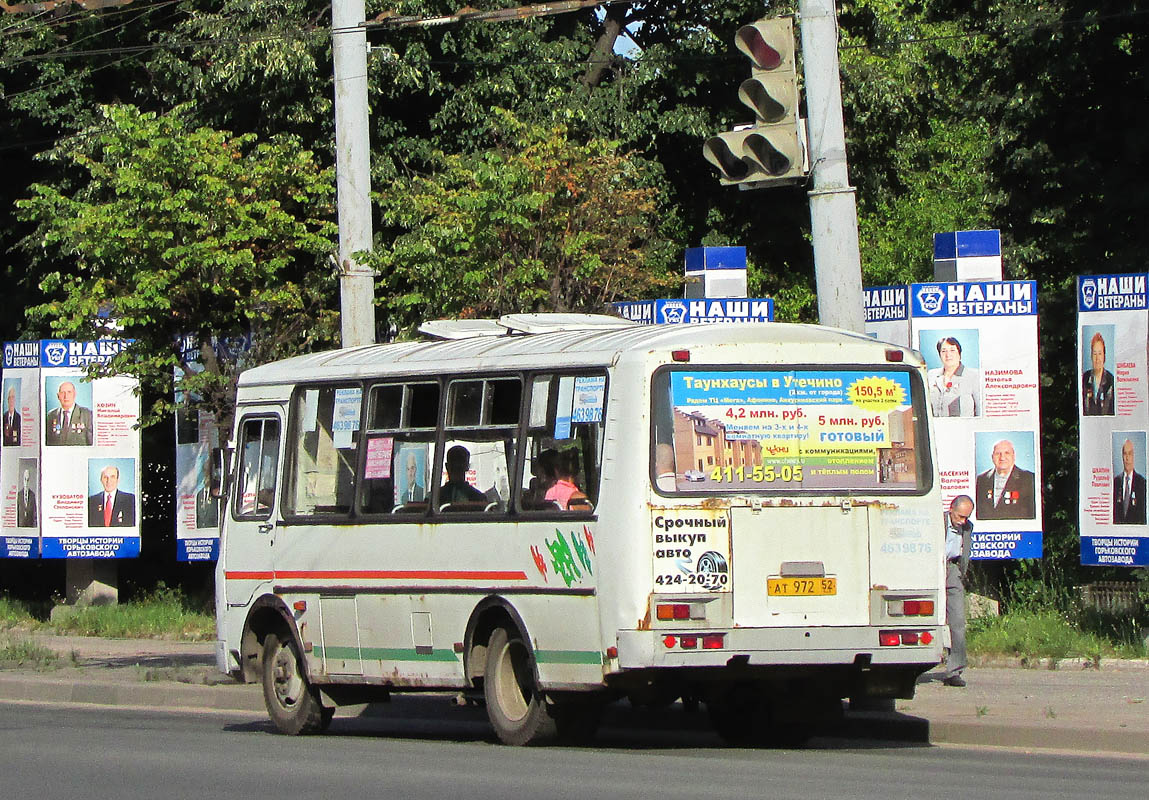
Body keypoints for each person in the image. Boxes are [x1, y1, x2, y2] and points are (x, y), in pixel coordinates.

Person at [942, 495, 974, 687]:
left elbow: (965, 549)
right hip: (932, 567)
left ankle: (954, 671)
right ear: (951, 509)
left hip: (952, 569)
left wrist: (962, 571)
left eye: (966, 518)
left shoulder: (967, 527)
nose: (963, 521)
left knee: (958, 620)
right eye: (960, 516)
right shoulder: (937, 520)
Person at [975, 439, 1036, 520]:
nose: (1002, 457)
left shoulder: (1028, 479)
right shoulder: (981, 479)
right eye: (998, 454)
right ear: (992, 457)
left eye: (1007, 453)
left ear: (1014, 456)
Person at [928, 337, 980, 417]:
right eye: (944, 351)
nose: (948, 355)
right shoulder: (931, 375)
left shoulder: (974, 376)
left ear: (959, 353)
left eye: (952, 350)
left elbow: (980, 412)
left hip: (963, 428)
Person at [45, 381, 94, 446]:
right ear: (58, 396)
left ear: (74, 394)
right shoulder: (51, 415)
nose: (66, 396)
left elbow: (91, 445)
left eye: (69, 392)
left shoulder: (87, 415)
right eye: (62, 393)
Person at [1113, 438, 1146, 525]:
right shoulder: (1115, 483)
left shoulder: (1142, 483)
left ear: (1133, 456)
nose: (1127, 458)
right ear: (1122, 456)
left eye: (1130, 454)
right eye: (1125, 454)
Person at [1081, 331, 1115, 415]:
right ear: (1091, 356)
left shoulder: (1111, 381)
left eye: (1100, 353)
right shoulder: (1084, 379)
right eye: (1094, 354)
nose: (1097, 358)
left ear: (1104, 356)